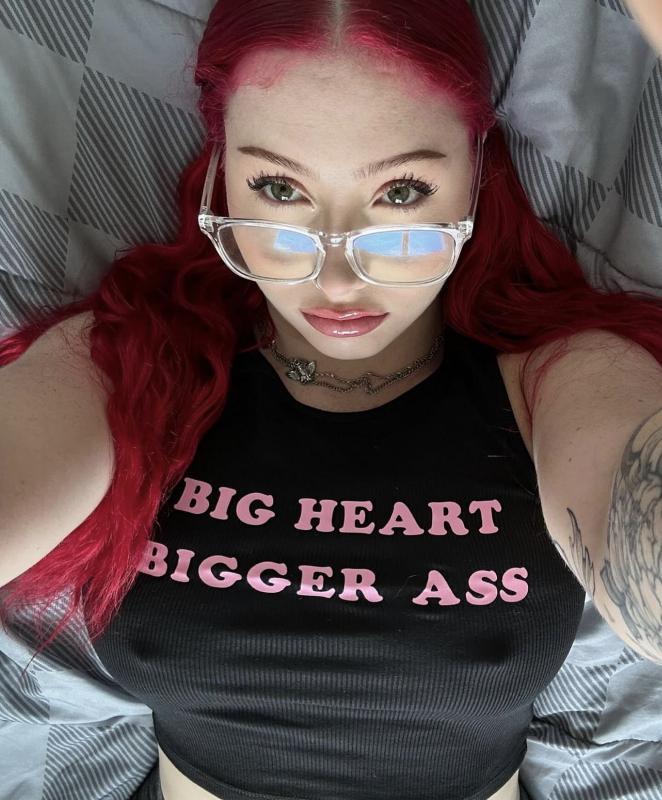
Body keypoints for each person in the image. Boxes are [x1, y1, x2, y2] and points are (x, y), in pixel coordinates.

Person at [1, 2, 661, 799]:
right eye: (279, 188)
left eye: (402, 192)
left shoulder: (559, 383)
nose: (338, 276)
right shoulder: (124, 368)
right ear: (220, 173)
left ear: (475, 172)